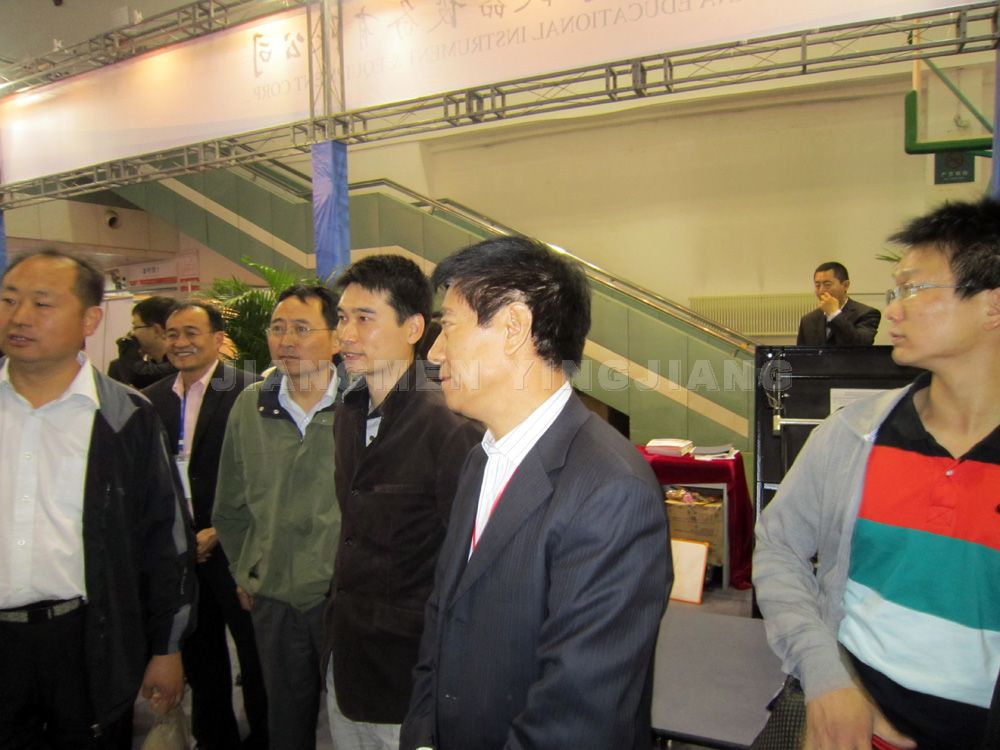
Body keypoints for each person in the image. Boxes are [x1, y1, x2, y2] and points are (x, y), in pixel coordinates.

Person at [399, 237, 672, 750]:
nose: (433, 353)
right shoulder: (481, 458)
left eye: (448, 326)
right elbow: (441, 624)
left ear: (513, 327)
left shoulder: (612, 490)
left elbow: (577, 718)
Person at [754, 198, 1000, 750]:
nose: (893, 313)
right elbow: (779, 545)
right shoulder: (851, 436)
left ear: (993, 305)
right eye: (893, 294)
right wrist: (825, 676)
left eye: (914, 290)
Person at [0, 250, 195, 747]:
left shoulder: (125, 416)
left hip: (88, 638)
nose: (19, 316)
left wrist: (166, 647)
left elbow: (164, 538)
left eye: (42, 303)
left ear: (90, 320)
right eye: (8, 300)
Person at [322, 255, 483, 750]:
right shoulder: (349, 411)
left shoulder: (447, 426)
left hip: (409, 670)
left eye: (364, 319)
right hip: (347, 654)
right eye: (342, 318)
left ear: (413, 328)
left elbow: (469, 563)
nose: (345, 335)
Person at [213, 285, 342, 750]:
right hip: (274, 600)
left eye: (302, 328)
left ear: (337, 338)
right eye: (277, 328)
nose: (286, 340)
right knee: (286, 722)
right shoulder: (251, 405)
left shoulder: (363, 406)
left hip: (342, 600)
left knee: (357, 723)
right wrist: (246, 570)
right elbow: (230, 505)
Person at [143, 302, 267, 750]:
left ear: (218, 339)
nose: (180, 342)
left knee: (254, 656)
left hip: (234, 546)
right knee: (200, 656)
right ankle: (215, 739)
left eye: (191, 332)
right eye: (172, 334)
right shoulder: (150, 399)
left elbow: (266, 473)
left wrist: (219, 529)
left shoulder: (250, 391)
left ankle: (264, 737)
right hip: (180, 550)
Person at [796, 262, 881, 345]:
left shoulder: (867, 314)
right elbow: (801, 353)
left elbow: (861, 344)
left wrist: (834, 314)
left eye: (827, 284)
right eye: (817, 285)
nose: (821, 290)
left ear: (845, 285)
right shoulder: (808, 320)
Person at [107, 295, 179, 388]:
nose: (132, 334)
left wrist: (127, 346)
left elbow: (140, 375)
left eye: (135, 327)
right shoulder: (152, 364)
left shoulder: (178, 365)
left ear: (156, 330)